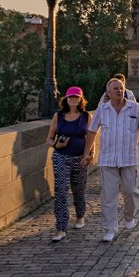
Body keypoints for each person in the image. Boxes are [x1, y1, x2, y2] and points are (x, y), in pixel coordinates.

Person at [84, 78, 139, 243]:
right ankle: (110, 229)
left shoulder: (134, 107)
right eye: (115, 89)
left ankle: (129, 217)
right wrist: (86, 152)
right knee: (109, 196)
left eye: (121, 88)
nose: (119, 91)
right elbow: (92, 131)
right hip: (108, 159)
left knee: (130, 191)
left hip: (129, 157)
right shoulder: (102, 109)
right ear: (108, 92)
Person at [46, 86, 91, 242]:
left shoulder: (86, 116)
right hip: (61, 157)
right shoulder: (58, 116)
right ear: (66, 99)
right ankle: (61, 228)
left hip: (80, 158)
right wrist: (56, 145)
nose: (73, 100)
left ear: (80, 99)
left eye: (76, 97)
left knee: (78, 190)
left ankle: (80, 216)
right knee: (61, 191)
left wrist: (90, 155)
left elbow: (91, 138)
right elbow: (49, 139)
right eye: (71, 97)